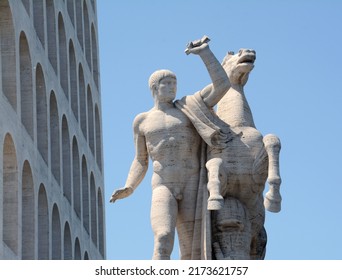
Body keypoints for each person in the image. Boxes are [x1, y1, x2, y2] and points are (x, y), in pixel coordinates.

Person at [110, 37, 230, 260]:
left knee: (192, 252)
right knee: (163, 239)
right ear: (155, 87)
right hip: (163, 184)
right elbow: (140, 159)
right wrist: (130, 186)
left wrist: (205, 53)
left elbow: (223, 85)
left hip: (192, 182)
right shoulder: (142, 120)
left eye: (175, 83)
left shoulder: (189, 107)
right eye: (167, 83)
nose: (173, 87)